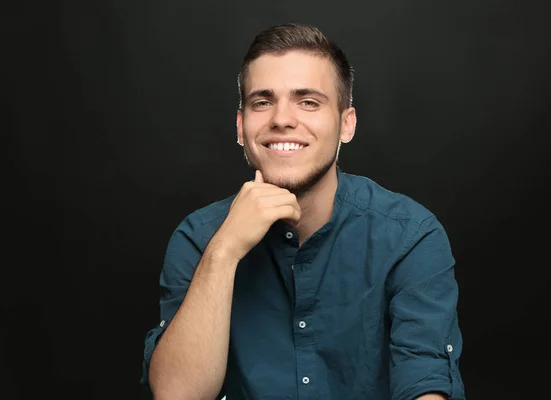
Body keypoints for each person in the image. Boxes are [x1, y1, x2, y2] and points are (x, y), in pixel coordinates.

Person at [141, 23, 466, 400]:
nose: (281, 119)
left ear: (347, 124)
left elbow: (426, 383)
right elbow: (177, 395)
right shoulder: (199, 239)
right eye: (262, 102)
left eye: (308, 102)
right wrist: (224, 252)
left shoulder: (410, 236)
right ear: (240, 126)